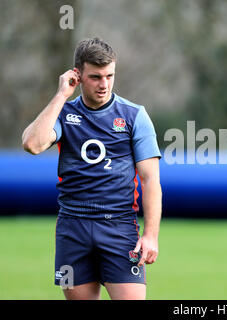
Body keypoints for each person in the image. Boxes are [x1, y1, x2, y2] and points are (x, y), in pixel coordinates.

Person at [22, 37, 162, 300]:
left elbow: (151, 180)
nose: (104, 84)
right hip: (72, 228)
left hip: (119, 228)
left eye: (110, 75)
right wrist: (62, 95)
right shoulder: (63, 114)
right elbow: (32, 144)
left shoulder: (134, 116)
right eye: (96, 77)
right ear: (78, 76)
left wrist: (151, 235)